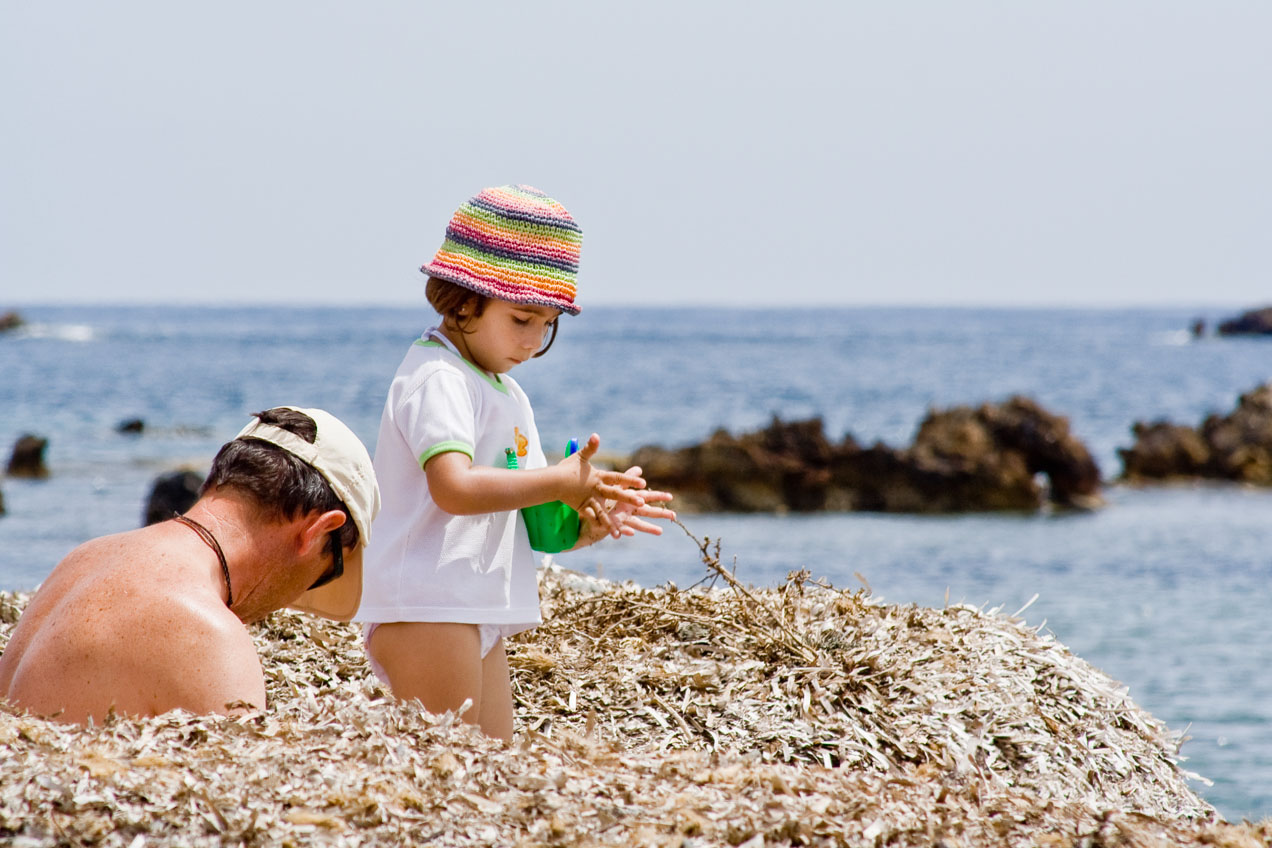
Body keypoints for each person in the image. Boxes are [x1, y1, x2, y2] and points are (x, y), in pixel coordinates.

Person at [358, 184, 675, 740]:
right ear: (462, 299)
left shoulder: (504, 391)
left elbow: (535, 527)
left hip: (473, 604)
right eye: (523, 319)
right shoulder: (439, 377)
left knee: (495, 762)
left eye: (548, 324)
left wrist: (583, 522)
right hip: (427, 602)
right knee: (450, 766)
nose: (534, 341)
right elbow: (453, 487)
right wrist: (558, 478)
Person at [0, 407, 380, 724]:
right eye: (326, 575)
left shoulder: (82, 560)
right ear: (318, 532)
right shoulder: (208, 637)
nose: (299, 596)